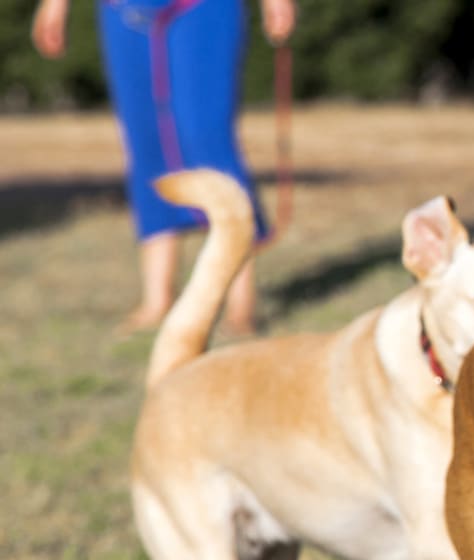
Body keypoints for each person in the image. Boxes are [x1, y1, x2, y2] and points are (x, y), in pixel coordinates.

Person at [31, 0, 296, 336]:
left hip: (204, 8)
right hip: (122, 9)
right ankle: (157, 300)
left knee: (207, 140)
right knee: (146, 145)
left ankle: (240, 304)